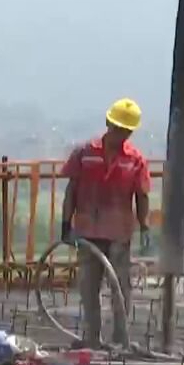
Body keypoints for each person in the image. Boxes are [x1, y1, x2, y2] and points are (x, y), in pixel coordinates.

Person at [60, 98, 151, 348]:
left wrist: (145, 226)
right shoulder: (85, 153)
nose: (121, 134)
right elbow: (72, 189)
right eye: (118, 128)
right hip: (88, 231)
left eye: (126, 131)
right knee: (89, 287)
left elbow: (142, 195)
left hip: (119, 232)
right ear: (108, 123)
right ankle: (92, 338)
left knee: (120, 287)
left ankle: (121, 338)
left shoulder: (135, 159)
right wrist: (66, 223)